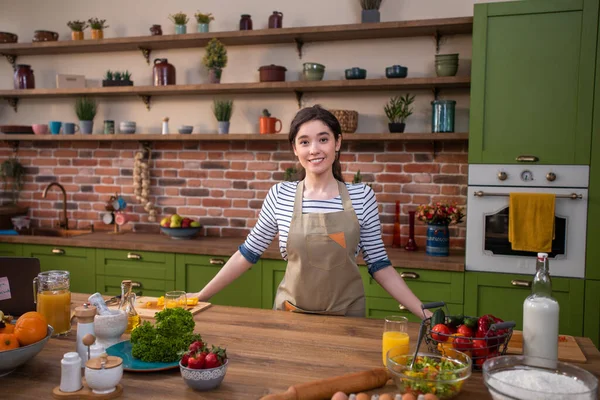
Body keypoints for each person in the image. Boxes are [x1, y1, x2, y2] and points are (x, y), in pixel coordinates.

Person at [189, 105, 431, 319]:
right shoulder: (280, 195)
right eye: (304, 142)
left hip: (347, 319)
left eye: (323, 139)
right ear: (295, 149)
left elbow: (380, 265)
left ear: (337, 142)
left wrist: (425, 314)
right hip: (291, 316)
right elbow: (248, 253)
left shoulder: (362, 196)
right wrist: (201, 295)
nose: (314, 149)